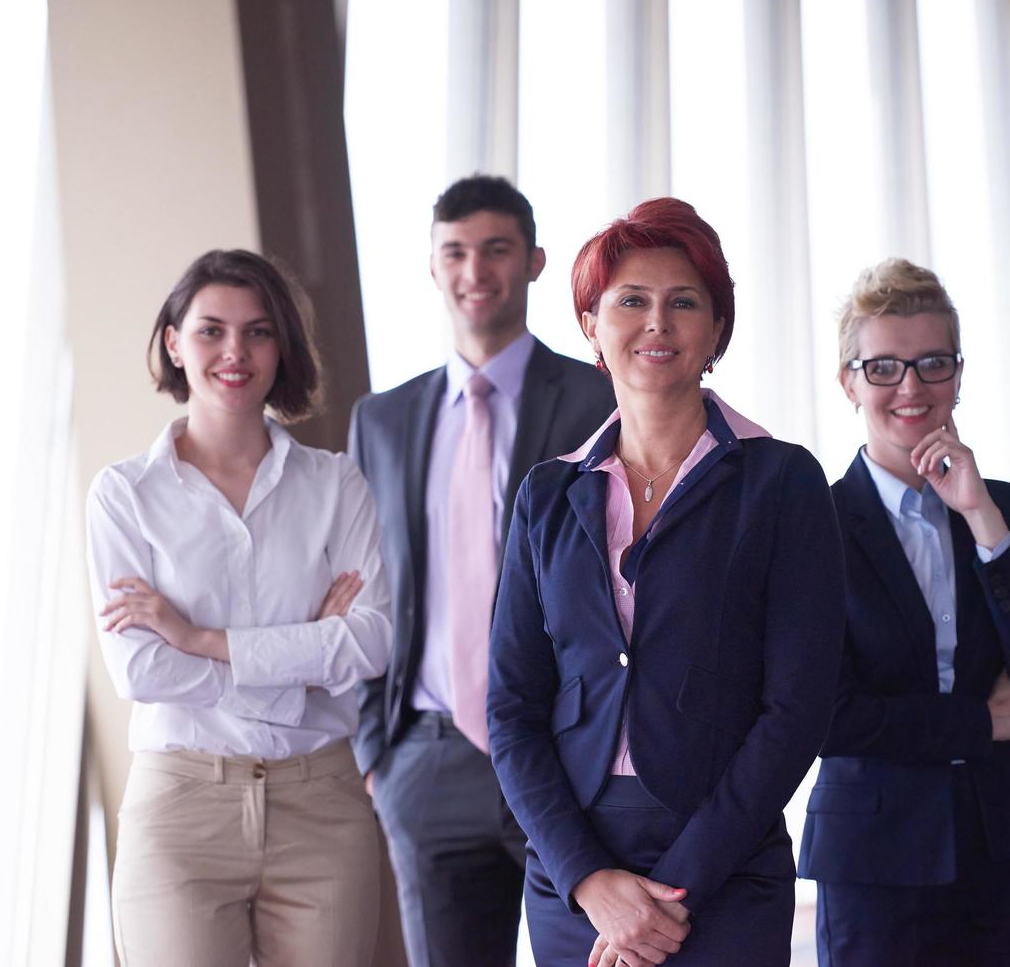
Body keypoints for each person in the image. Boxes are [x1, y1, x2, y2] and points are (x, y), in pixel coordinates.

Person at [487, 197, 846, 966]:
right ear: (590, 324)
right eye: (630, 301)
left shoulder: (781, 481)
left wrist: (669, 896)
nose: (657, 322)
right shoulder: (546, 494)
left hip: (724, 855)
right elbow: (511, 706)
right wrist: (588, 882)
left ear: (716, 330)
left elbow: (797, 706)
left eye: (684, 302)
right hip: (572, 859)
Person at [86, 249, 392, 966]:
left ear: (280, 345)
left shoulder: (336, 483)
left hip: (321, 806)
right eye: (210, 330)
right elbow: (142, 672)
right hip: (181, 807)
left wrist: (198, 636)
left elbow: (372, 642)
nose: (235, 352)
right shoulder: (124, 495)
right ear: (173, 342)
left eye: (257, 331)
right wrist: (306, 656)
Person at [348, 175, 615, 966]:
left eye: (496, 250)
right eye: (454, 252)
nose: (474, 271)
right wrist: (376, 754)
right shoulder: (383, 420)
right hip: (424, 760)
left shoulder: (597, 397)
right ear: (432, 268)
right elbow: (369, 584)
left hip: (565, 750)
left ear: (533, 262)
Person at [797, 258, 1010, 966]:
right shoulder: (812, 527)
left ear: (957, 372)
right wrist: (984, 722)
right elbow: (826, 716)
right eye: (884, 368)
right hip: (875, 852)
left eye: (932, 364)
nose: (911, 388)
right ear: (848, 382)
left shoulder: (1006, 506)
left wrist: (980, 516)